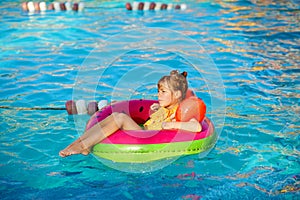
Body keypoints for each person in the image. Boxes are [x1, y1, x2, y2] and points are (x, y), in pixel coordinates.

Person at [59, 70, 202, 157]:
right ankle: (81, 144)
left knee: (119, 118)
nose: (158, 95)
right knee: (113, 116)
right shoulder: (163, 107)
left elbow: (196, 127)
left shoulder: (180, 112)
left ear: (177, 94)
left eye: (163, 92)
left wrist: (171, 124)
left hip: (146, 138)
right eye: (158, 91)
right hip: (143, 131)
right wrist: (157, 111)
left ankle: (83, 146)